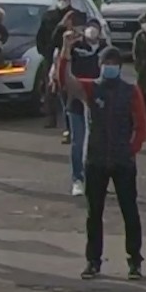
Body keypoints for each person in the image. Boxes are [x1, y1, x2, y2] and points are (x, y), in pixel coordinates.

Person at [60, 47, 146, 281]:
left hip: (123, 161)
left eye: (114, 62)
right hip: (96, 160)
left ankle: (135, 260)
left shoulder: (130, 91)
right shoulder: (91, 88)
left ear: (119, 66)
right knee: (94, 214)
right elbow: (65, 80)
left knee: (130, 212)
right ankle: (93, 261)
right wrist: (65, 51)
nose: (110, 66)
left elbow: (141, 126)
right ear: (100, 65)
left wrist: (130, 150)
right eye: (106, 62)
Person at [56, 23, 103, 194]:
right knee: (78, 142)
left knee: (98, 144)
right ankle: (78, 179)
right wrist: (66, 45)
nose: (92, 31)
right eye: (89, 27)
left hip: (99, 102)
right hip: (76, 100)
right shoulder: (76, 48)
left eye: (95, 27)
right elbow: (63, 69)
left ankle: (96, 178)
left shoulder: (105, 49)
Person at [34, 0, 73, 129]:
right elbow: (41, 37)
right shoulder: (49, 16)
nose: (62, 1)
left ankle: (69, 121)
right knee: (50, 87)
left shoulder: (75, 15)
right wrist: (45, 53)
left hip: (70, 57)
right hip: (51, 55)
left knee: (69, 88)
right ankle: (51, 118)